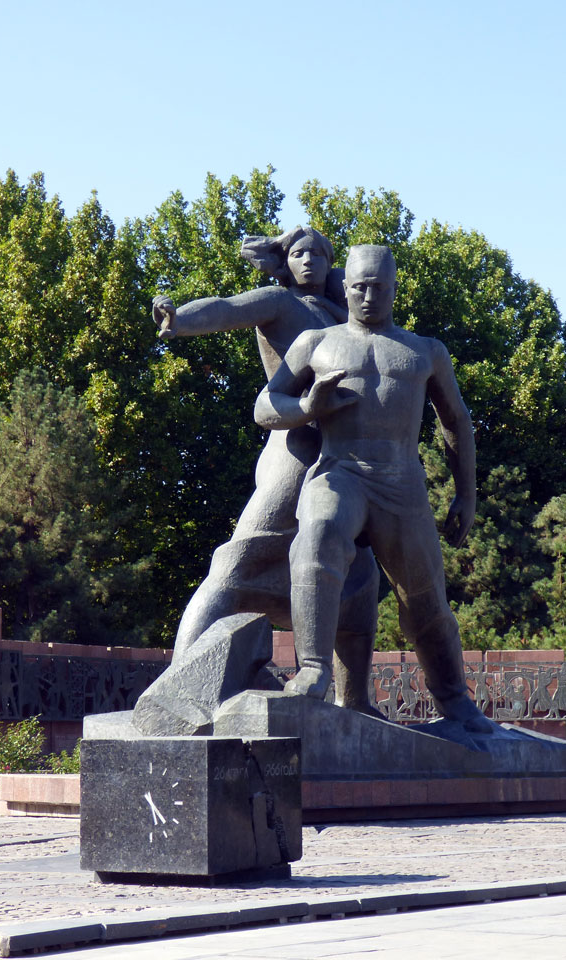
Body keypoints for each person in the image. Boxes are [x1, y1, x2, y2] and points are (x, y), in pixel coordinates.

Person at [255, 244, 494, 732]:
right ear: (345, 287)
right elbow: (265, 406)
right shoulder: (316, 343)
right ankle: (315, 670)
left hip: (401, 484)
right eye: (359, 287)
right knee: (317, 536)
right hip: (339, 471)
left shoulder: (424, 350)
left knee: (425, 602)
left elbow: (457, 423)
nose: (368, 296)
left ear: (394, 289)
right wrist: (307, 408)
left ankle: (456, 702)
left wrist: (466, 495)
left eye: (378, 288)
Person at [152, 227, 381, 714]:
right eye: (298, 253)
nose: (310, 262)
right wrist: (179, 318)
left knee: (358, 577)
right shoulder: (280, 303)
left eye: (319, 254)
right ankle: (176, 685)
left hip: (345, 460)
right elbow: (226, 308)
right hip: (294, 450)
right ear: (283, 261)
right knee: (240, 560)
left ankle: (354, 702)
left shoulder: (346, 313)